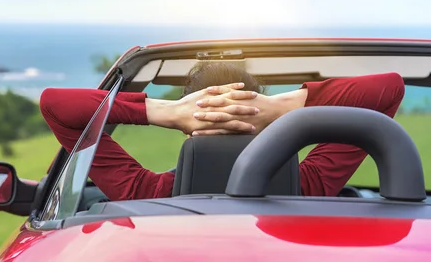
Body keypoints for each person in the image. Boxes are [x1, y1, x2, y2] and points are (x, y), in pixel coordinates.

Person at [39, 61, 405, 201]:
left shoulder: (147, 195)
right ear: (261, 123)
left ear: (187, 130)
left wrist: (166, 112)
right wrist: (278, 108)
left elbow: (57, 105)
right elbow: (387, 88)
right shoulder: (309, 187)